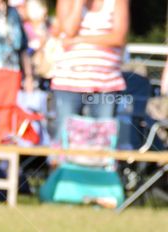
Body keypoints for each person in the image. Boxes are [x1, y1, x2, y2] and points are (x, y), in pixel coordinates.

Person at [49, 0, 127, 141]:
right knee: (64, 136)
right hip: (68, 80)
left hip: (106, 81)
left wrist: (79, 40)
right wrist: (78, 4)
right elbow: (68, 31)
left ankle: (102, 163)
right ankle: (62, 163)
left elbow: (118, 37)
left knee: (103, 139)